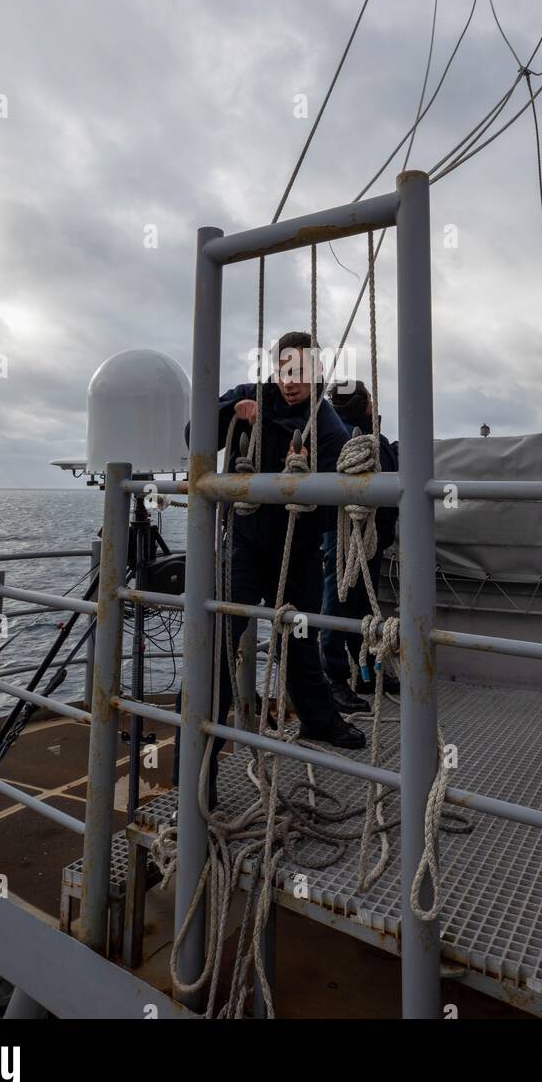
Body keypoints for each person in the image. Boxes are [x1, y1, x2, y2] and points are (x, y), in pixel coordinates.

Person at [174, 331, 365, 805]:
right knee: (216, 644)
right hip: (244, 547)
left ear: (317, 374)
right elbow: (191, 436)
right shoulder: (247, 397)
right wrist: (227, 416)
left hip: (296, 552)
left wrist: (305, 487)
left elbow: (336, 505)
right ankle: (195, 760)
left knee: (299, 641)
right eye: (284, 370)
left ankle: (319, 721)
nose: (291, 381)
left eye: (300, 372)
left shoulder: (328, 427)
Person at [320, 381, 399, 714]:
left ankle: (364, 671)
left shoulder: (334, 439)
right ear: (368, 404)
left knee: (357, 604)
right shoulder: (371, 442)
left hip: (359, 535)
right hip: (348, 536)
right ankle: (334, 680)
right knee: (340, 604)